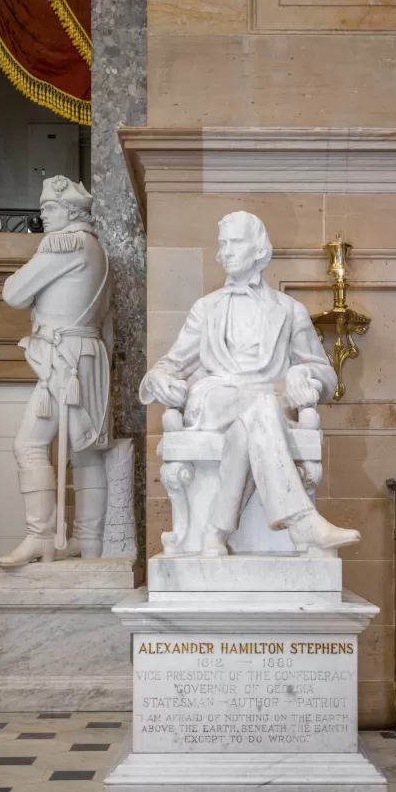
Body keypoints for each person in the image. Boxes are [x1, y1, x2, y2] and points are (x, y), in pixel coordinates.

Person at [139, 211, 360, 556]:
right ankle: (302, 522)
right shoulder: (205, 308)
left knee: (256, 418)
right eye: (222, 244)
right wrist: (158, 378)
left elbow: (327, 376)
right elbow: (169, 365)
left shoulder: (289, 310)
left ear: (258, 249)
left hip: (263, 407)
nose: (226, 251)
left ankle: (216, 528)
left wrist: (304, 374)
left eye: (236, 242)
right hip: (214, 399)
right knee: (267, 406)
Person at [0, 176, 112, 567]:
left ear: (69, 211)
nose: (42, 216)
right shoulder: (99, 251)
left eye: (49, 209)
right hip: (89, 357)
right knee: (85, 453)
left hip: (63, 361)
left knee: (28, 445)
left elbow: (13, 293)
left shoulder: (63, 243)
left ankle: (40, 536)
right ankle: (89, 543)